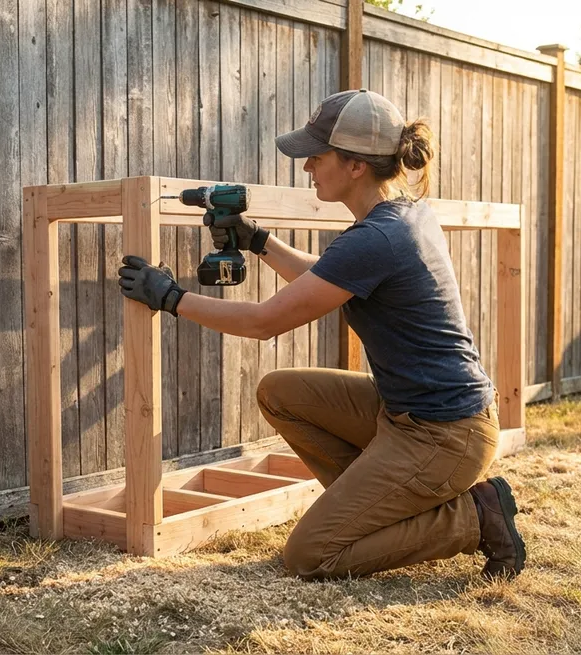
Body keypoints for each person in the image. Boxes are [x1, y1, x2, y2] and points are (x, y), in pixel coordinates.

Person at [116, 89, 526, 581]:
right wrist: (259, 241)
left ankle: (476, 516)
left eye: (317, 155)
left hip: (446, 434)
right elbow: (328, 275)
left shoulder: (377, 237)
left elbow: (263, 322)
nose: (308, 166)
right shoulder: (401, 215)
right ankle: (374, 507)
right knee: (280, 393)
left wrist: (170, 298)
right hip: (407, 413)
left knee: (310, 556)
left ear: (355, 166)